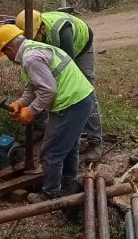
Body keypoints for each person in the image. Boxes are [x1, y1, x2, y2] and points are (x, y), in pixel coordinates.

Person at [0, 24, 95, 201]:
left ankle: (49, 195)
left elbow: (48, 90)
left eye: (5, 53)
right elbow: (34, 86)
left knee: (51, 151)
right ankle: (69, 185)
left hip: (71, 103)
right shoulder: (34, 49)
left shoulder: (30, 58)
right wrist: (20, 103)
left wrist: (31, 111)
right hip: (80, 98)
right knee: (69, 145)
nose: (7, 57)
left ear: (10, 49)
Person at [16, 9, 103, 162]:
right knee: (41, 81)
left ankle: (95, 143)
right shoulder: (34, 42)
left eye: (35, 38)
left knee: (85, 90)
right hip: (55, 51)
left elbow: (68, 73)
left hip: (80, 47)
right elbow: (37, 81)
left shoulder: (62, 32)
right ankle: (41, 126)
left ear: (42, 29)